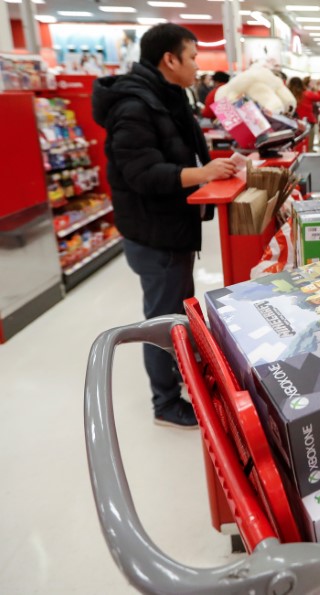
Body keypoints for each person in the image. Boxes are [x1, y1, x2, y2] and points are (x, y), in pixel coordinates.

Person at [92, 24, 237, 428]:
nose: (197, 65)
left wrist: (213, 164)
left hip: (170, 226)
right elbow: (143, 173)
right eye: (192, 57)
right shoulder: (134, 106)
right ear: (169, 59)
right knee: (162, 319)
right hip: (154, 231)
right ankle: (165, 402)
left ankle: (183, 379)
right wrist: (201, 172)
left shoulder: (164, 96)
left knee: (176, 311)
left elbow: (181, 150)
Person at [288, 77, 320, 150]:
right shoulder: (307, 94)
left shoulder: (288, 96)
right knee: (308, 146)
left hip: (293, 124)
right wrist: (316, 88)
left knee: (294, 146)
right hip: (308, 123)